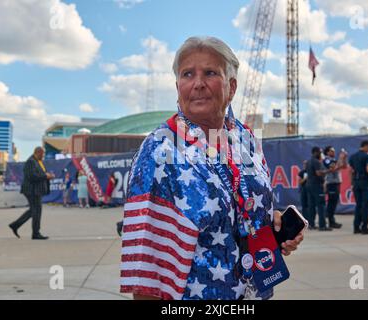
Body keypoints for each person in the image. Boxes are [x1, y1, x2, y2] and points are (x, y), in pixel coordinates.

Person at [120, 36, 304, 300]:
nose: (198, 84)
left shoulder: (246, 139)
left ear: (231, 87)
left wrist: (272, 224)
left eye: (210, 73)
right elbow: (147, 267)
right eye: (187, 74)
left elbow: (243, 206)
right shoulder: (160, 149)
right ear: (177, 86)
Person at [8, 147, 54, 240]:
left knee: (34, 210)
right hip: (31, 190)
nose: (43, 156)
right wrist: (46, 176)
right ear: (38, 152)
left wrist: (47, 175)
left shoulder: (37, 162)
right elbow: (32, 176)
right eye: (43, 154)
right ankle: (35, 233)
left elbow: (38, 174)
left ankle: (16, 225)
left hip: (35, 190)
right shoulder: (31, 161)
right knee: (36, 211)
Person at [349, 140, 368, 235]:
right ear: (366, 146)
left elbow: (351, 170)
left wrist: (352, 182)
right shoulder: (367, 156)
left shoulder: (352, 157)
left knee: (358, 205)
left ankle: (356, 227)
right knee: (365, 206)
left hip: (356, 182)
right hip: (364, 182)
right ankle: (365, 227)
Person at [306, 146, 332, 231]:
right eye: (320, 152)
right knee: (321, 205)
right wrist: (328, 171)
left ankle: (311, 224)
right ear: (316, 152)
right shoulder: (316, 162)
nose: (321, 154)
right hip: (316, 185)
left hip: (309, 185)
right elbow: (318, 173)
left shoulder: (309, 161)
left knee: (311, 206)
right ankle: (322, 225)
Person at [323, 146, 347, 229]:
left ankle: (331, 220)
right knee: (331, 203)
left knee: (334, 202)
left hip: (336, 182)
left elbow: (344, 166)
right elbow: (333, 169)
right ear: (327, 152)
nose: (333, 152)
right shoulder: (327, 159)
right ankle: (330, 221)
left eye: (334, 150)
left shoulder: (333, 159)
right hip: (331, 183)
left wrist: (344, 158)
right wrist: (340, 158)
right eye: (331, 151)